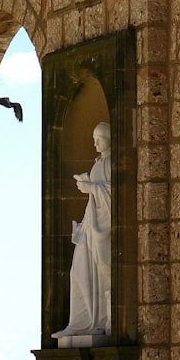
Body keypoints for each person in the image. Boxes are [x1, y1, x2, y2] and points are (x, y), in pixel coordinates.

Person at [53, 121, 112, 338]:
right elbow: (96, 198)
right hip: (91, 227)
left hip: (103, 231)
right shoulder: (98, 164)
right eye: (94, 139)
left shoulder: (113, 163)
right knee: (77, 270)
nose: (95, 143)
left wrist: (92, 188)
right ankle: (80, 323)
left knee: (102, 273)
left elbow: (115, 195)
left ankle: (102, 322)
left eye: (100, 139)